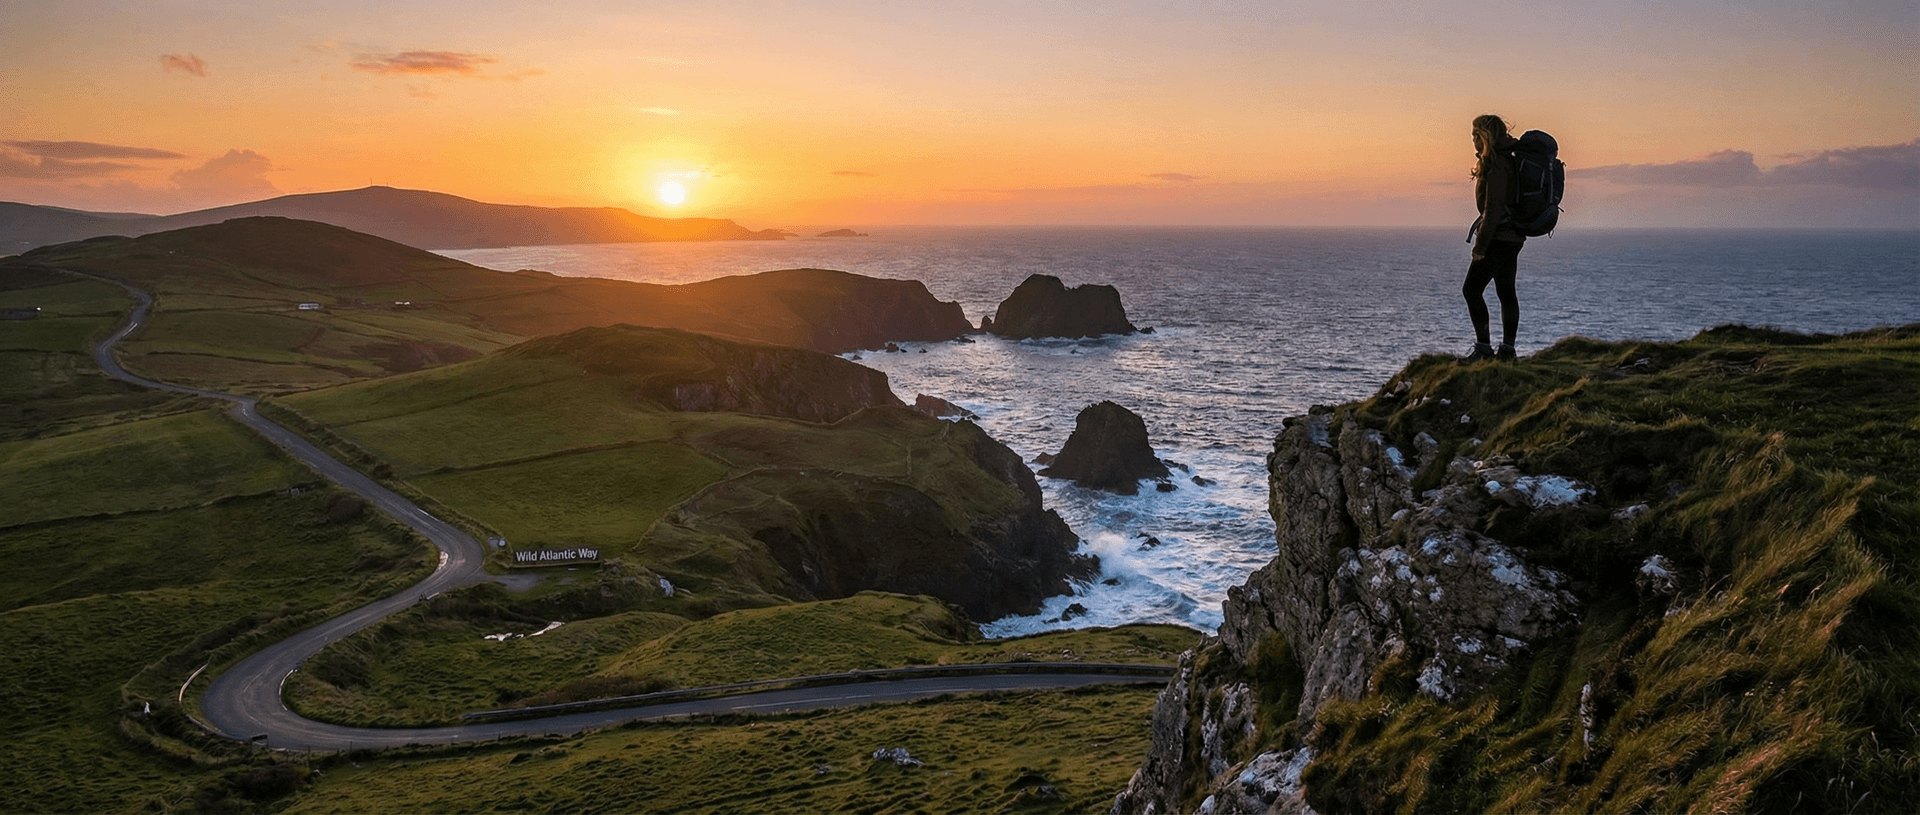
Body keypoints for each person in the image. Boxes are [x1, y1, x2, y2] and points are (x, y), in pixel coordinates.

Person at [1463, 114, 1526, 362]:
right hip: (1513, 237)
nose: (1472, 141)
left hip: (1499, 237)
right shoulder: (1508, 159)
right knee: (1506, 291)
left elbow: (1493, 208)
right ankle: (1507, 351)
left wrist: (1480, 246)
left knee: (1471, 290)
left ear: (1483, 136)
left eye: (1474, 135)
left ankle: (1483, 350)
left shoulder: (1497, 163)